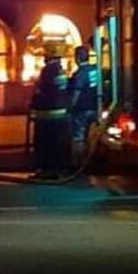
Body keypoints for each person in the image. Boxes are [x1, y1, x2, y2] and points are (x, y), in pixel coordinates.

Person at [29, 47, 70, 179]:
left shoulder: (48, 70)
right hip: (60, 113)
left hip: (47, 114)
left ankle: (45, 171)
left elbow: (43, 92)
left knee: (44, 143)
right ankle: (57, 169)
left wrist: (33, 103)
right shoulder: (61, 70)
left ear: (49, 57)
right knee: (56, 143)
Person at [68, 46, 100, 161]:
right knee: (92, 135)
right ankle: (91, 159)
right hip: (96, 107)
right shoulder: (95, 69)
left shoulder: (80, 74)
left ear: (77, 58)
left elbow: (77, 92)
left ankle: (78, 162)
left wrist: (70, 107)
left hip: (82, 110)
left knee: (78, 137)